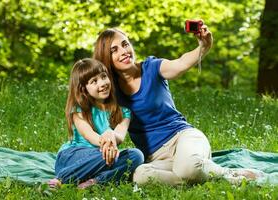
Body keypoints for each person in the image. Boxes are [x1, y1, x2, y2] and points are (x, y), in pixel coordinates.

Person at [93, 26, 263, 185]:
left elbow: (181, 64)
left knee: (187, 168)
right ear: (106, 59)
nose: (123, 52)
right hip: (155, 158)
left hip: (183, 137)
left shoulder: (152, 68)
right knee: (140, 176)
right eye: (114, 50)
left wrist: (203, 47)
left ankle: (227, 174)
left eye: (125, 44)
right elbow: (99, 119)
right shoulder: (109, 91)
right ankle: (195, 175)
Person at [48, 58, 144, 189]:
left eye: (104, 77)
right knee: (107, 154)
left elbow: (120, 136)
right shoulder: (79, 109)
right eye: (94, 81)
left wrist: (111, 134)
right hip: (72, 158)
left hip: (103, 158)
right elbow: (89, 135)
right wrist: (107, 143)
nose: (103, 83)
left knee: (136, 155)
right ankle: (62, 179)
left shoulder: (123, 111)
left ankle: (94, 183)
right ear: (83, 89)